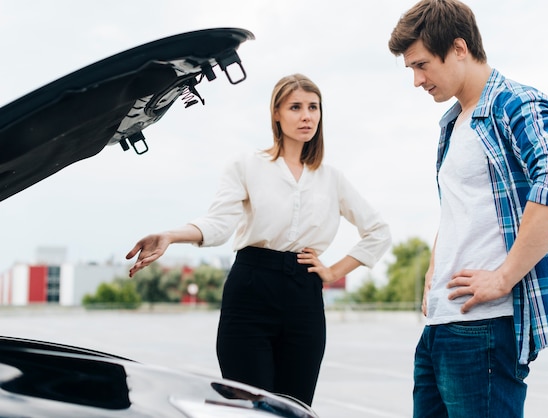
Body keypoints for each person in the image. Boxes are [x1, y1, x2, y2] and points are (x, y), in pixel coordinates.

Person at [125, 73, 391, 406]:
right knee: (248, 408)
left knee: (294, 409)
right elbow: (220, 223)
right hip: (251, 290)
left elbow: (378, 231)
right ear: (276, 113)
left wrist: (333, 272)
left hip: (303, 297)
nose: (307, 116)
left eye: (313, 107)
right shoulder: (247, 165)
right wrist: (171, 235)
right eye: (295, 107)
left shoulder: (331, 178)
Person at [387, 1, 548, 417]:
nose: (416, 80)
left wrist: (503, 277)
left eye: (422, 65)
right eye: (411, 68)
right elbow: (461, 209)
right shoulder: (454, 123)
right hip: (441, 326)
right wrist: (434, 266)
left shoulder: (516, 104)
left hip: (484, 327)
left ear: (459, 48)